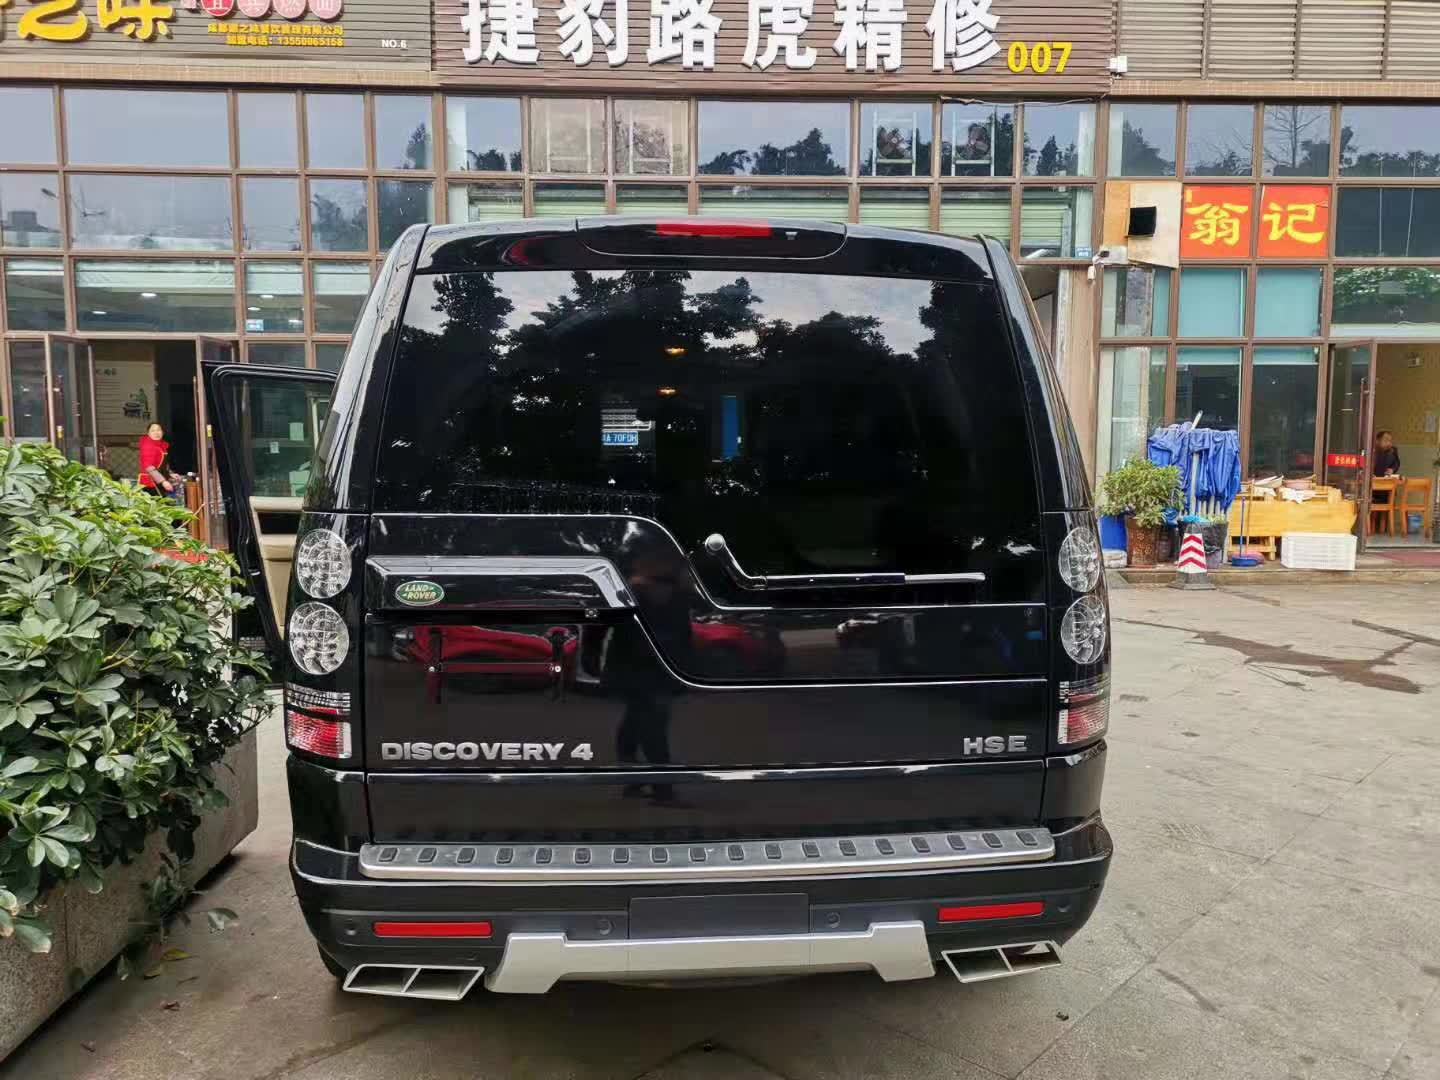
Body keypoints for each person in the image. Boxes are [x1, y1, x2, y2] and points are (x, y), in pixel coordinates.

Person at [138, 422, 181, 503]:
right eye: (153, 431)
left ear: (162, 432)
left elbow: (161, 465)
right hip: (150, 483)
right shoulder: (148, 446)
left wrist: (170, 474)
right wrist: (163, 481)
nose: (156, 433)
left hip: (158, 480)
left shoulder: (161, 445)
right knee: (158, 506)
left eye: (158, 430)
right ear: (148, 433)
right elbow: (149, 467)